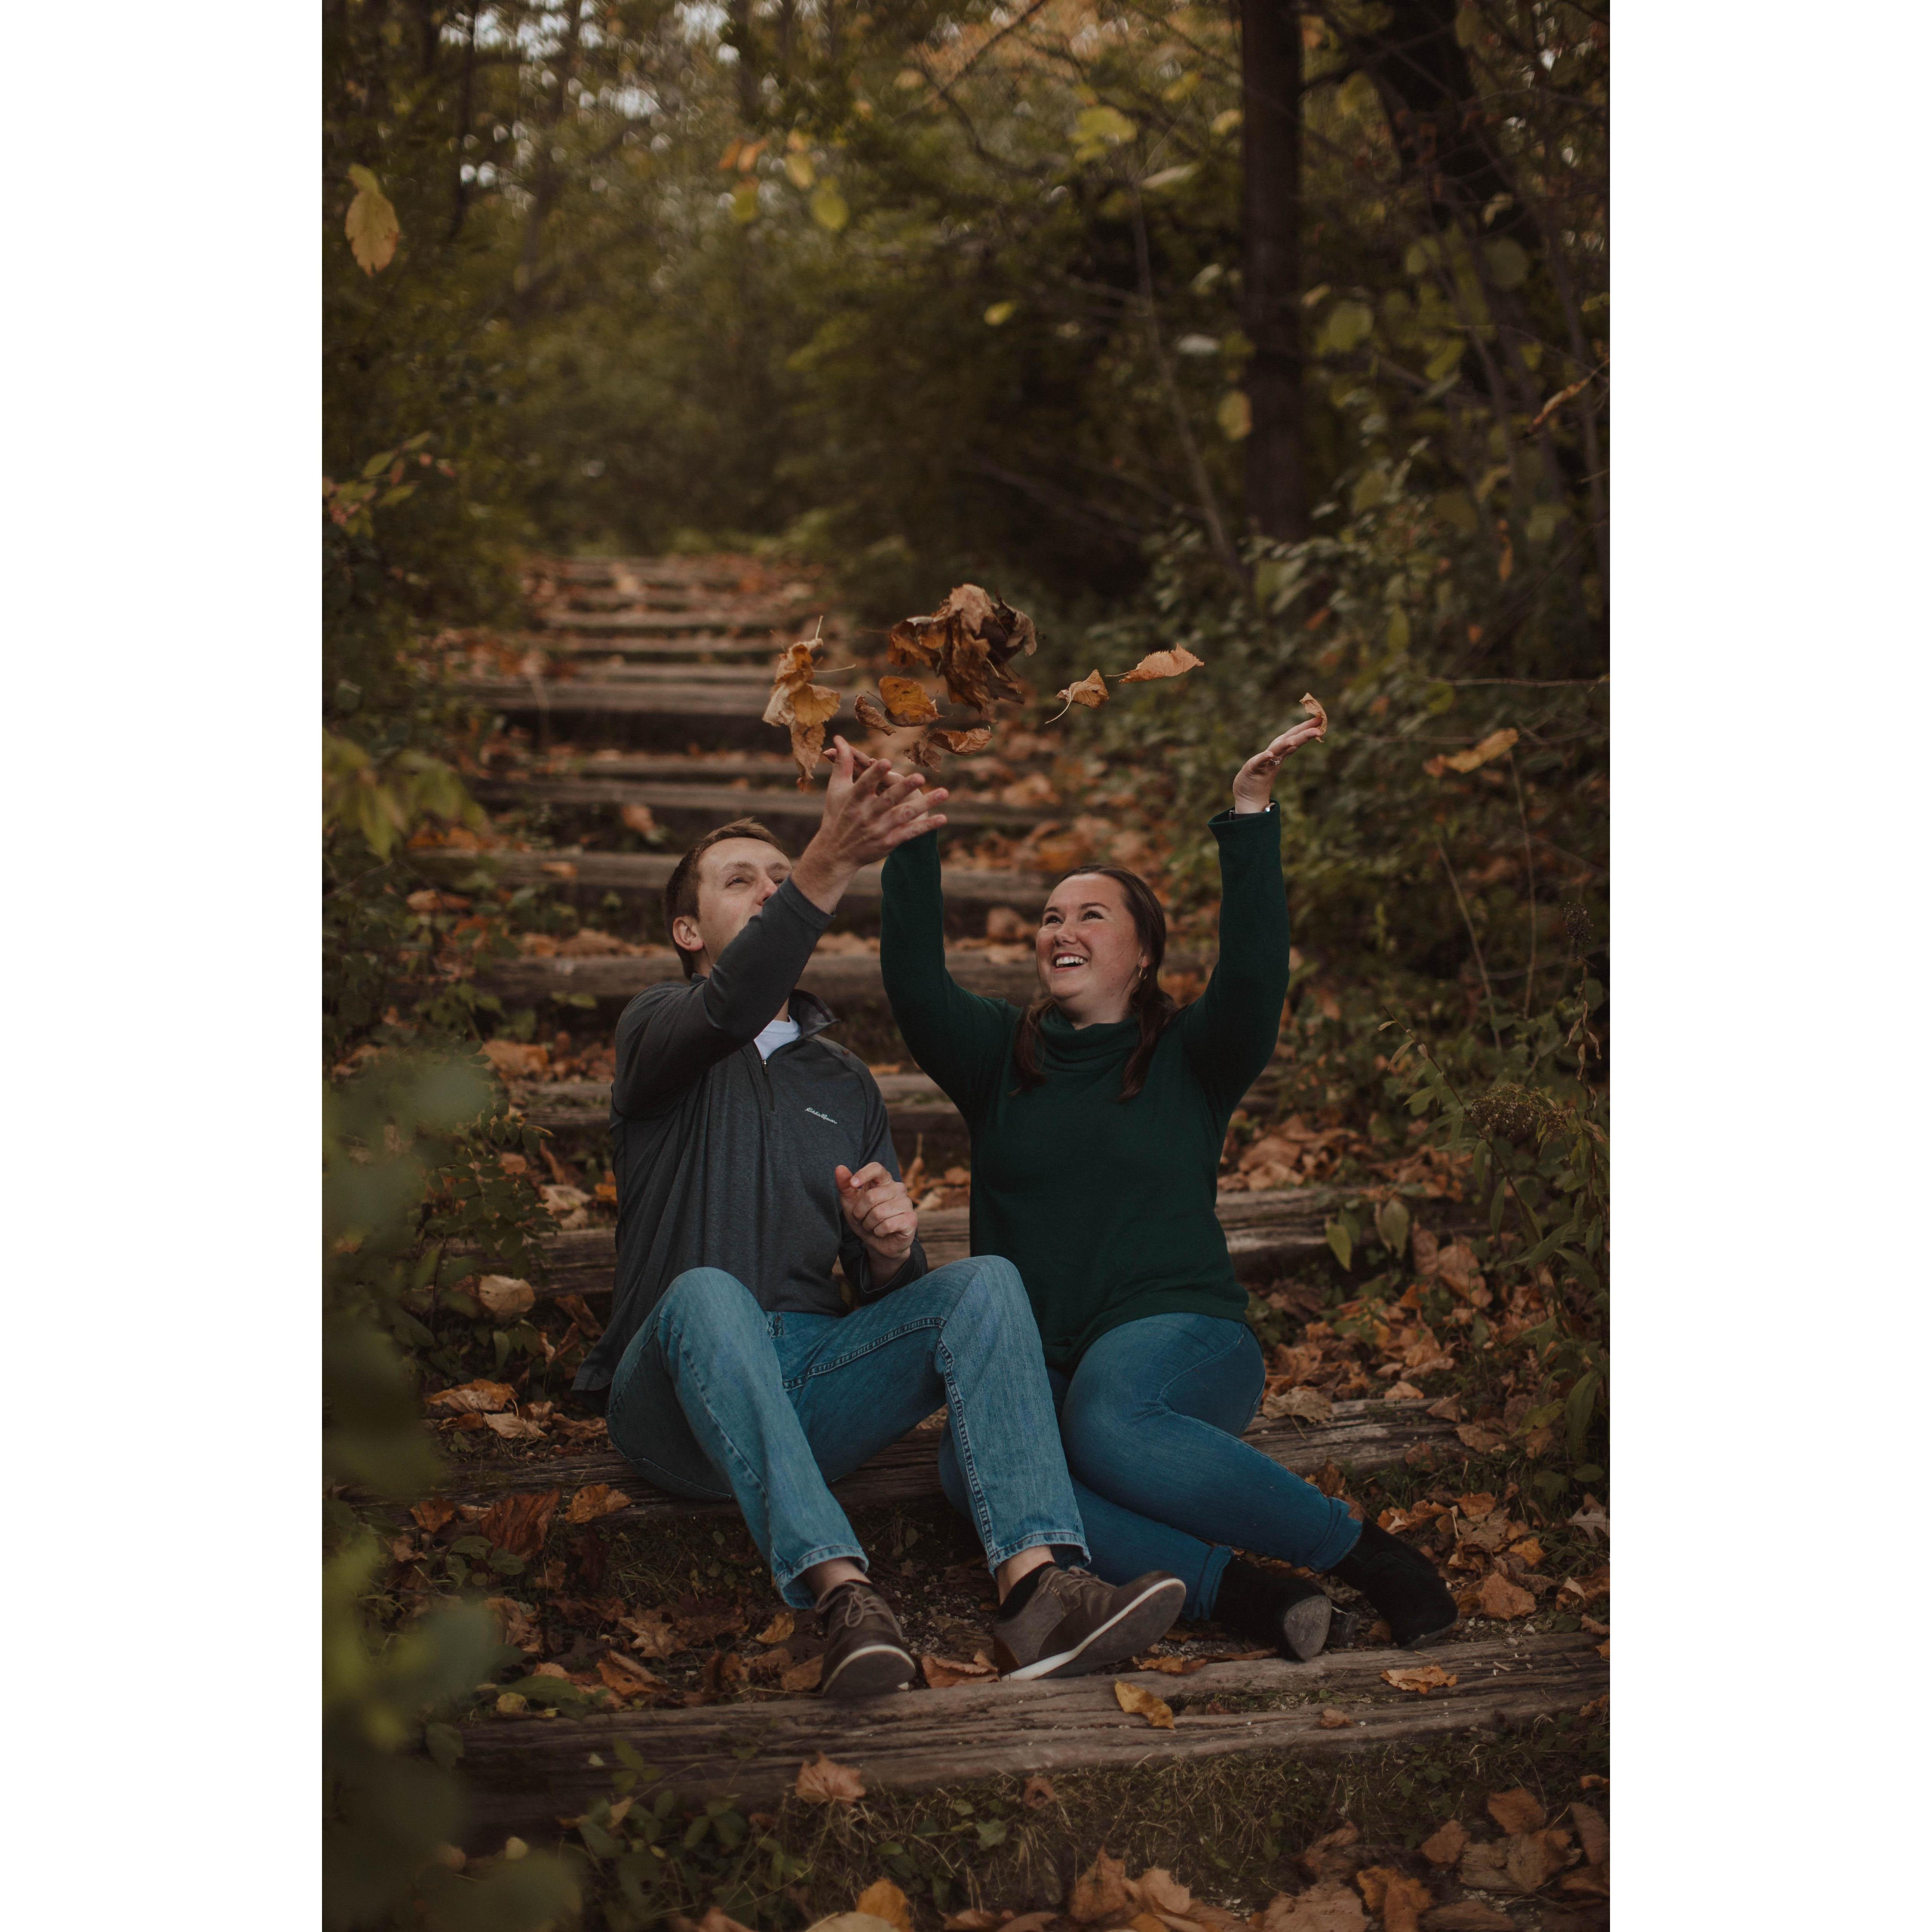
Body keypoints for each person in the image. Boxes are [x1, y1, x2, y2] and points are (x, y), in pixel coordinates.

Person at [574, 740, 1184, 1699]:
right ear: (689, 931)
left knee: (985, 1283)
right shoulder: (658, 1027)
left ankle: (1040, 1587)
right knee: (707, 1295)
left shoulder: (841, 1079)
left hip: (811, 1386)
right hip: (674, 1397)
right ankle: (844, 1596)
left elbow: (885, 1294)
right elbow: (731, 1006)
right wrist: (827, 860)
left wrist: (891, 1247)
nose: (771, 889)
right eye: (742, 881)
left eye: (782, 874)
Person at [879, 720, 1458, 1658]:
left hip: (1178, 1334)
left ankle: (1366, 1555)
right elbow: (912, 979)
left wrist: (1251, 818)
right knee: (964, 1467)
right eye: (1050, 917)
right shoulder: (998, 1057)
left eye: (1091, 915)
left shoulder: (1192, 1054)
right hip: (1043, 1355)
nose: (1061, 930)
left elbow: (1256, 969)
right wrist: (910, 832)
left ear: (1143, 954)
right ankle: (1239, 1592)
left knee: (1106, 1420)